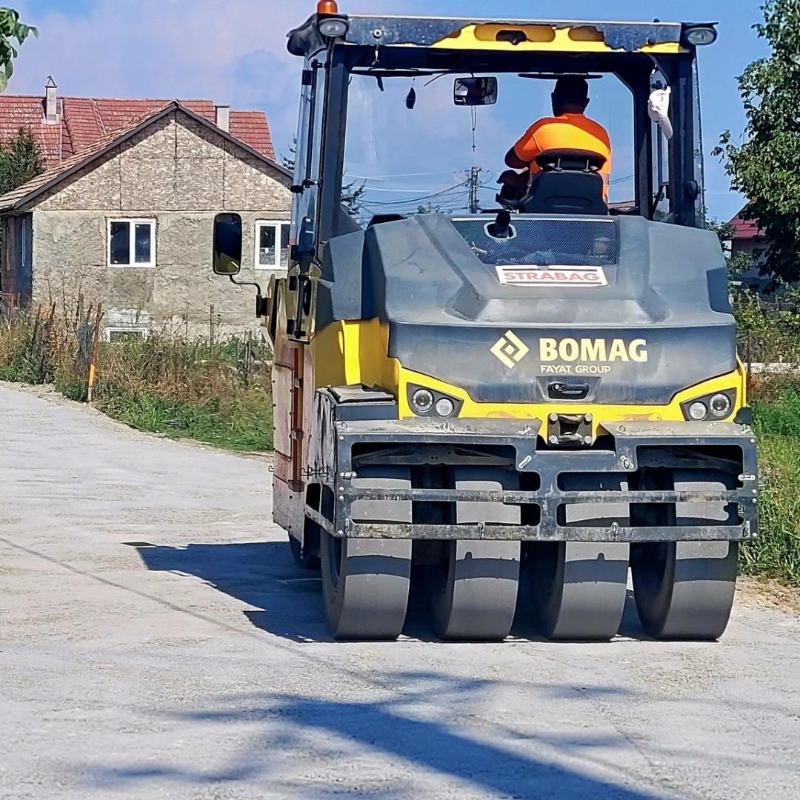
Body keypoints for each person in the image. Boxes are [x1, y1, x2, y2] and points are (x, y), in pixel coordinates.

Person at [504, 76, 612, 199]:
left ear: (553, 98)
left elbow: (512, 161)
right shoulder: (601, 135)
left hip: (542, 208)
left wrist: (519, 176)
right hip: (593, 209)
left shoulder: (543, 128)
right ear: (586, 102)